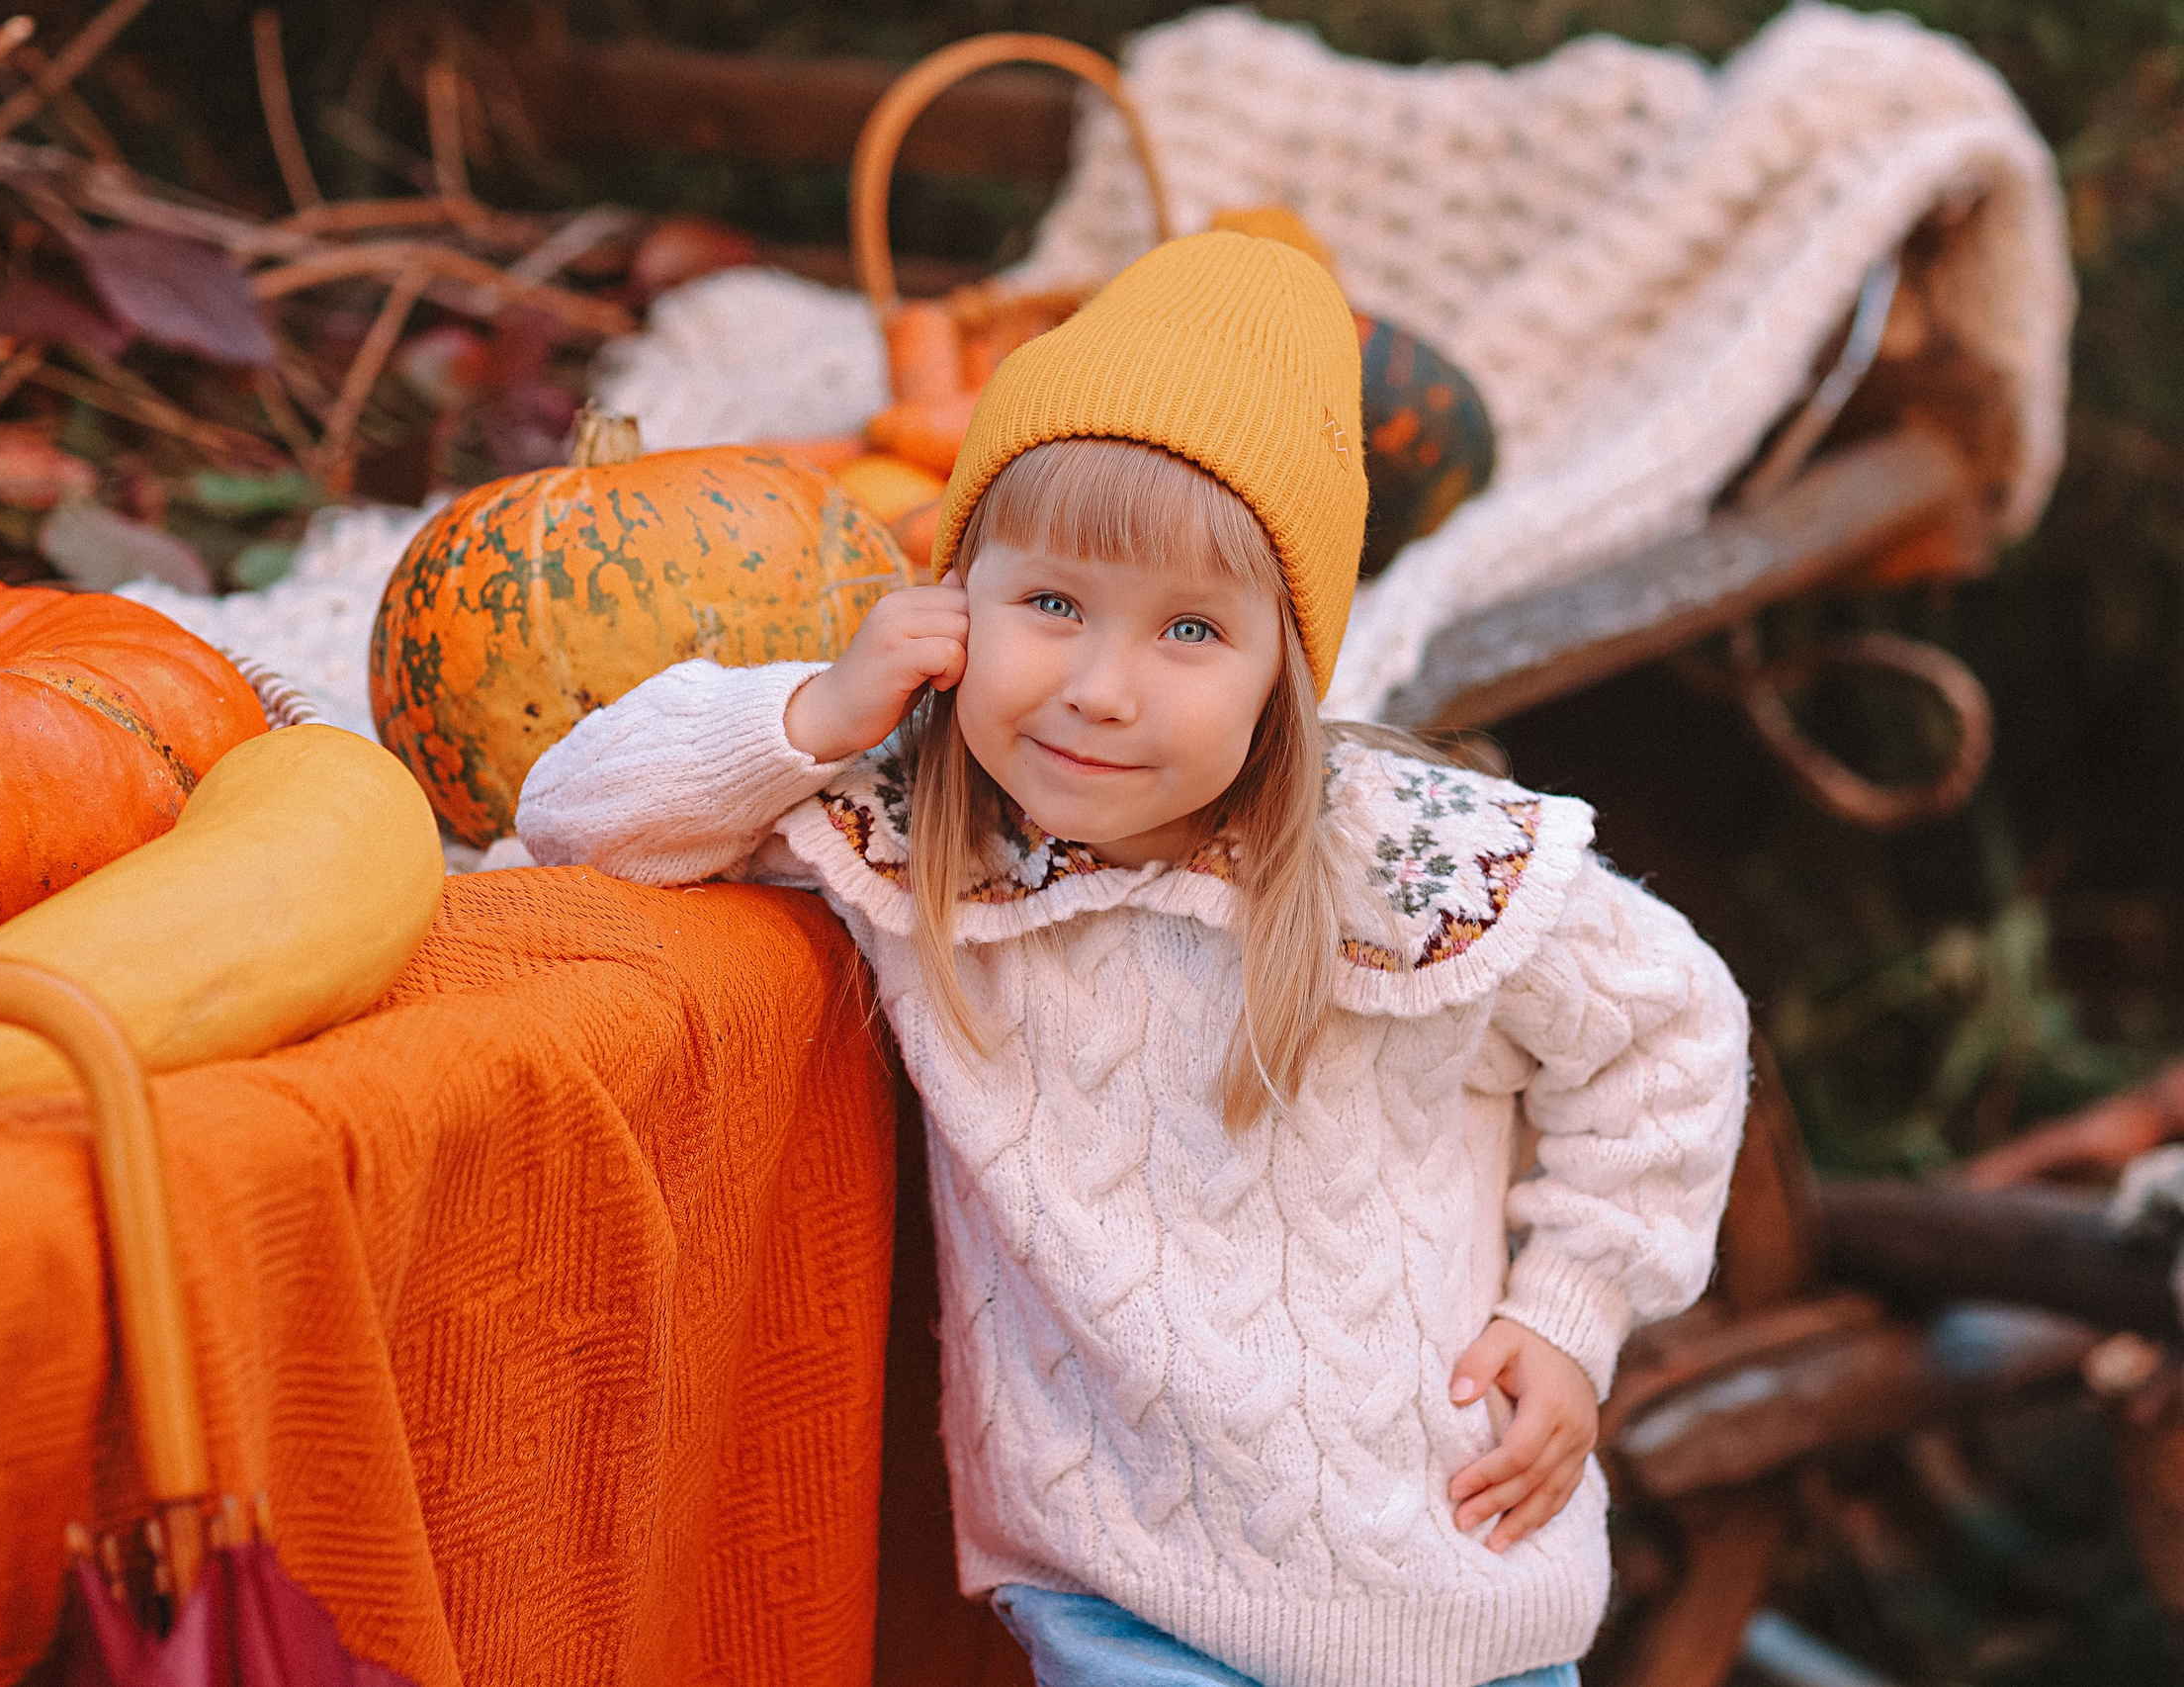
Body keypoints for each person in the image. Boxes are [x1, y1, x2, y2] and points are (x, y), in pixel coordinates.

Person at [516, 230, 1750, 1687]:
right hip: (1125, 1595)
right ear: (956, 597)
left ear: (1283, 669)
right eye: (1049, 605)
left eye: (1188, 630)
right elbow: (573, 814)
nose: (1100, 688)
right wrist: (817, 707)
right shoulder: (917, 825)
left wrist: (1574, 1307)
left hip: (1453, 1581)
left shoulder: (1401, 854)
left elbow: (1670, 1025)